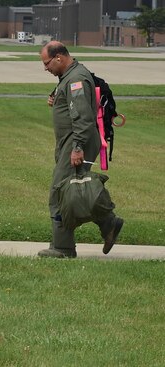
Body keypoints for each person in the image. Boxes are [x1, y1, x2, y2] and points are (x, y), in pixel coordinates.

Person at [38, 40, 123, 258]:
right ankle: (108, 223)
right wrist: (57, 100)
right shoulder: (69, 76)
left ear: (59, 58)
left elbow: (83, 118)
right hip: (73, 141)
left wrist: (76, 148)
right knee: (77, 192)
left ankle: (62, 248)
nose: (45, 68)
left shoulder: (75, 79)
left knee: (60, 193)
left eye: (47, 63)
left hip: (77, 141)